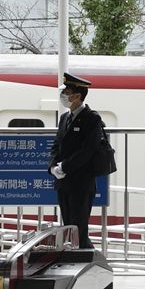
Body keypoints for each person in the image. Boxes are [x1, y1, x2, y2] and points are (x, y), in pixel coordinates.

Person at [48, 72, 103, 249]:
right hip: (63, 182)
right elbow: (56, 144)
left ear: (78, 96)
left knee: (79, 228)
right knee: (68, 226)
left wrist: (65, 166)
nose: (64, 95)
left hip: (81, 182)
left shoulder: (91, 118)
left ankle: (86, 262)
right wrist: (53, 166)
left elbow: (88, 150)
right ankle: (76, 259)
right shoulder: (64, 118)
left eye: (67, 92)